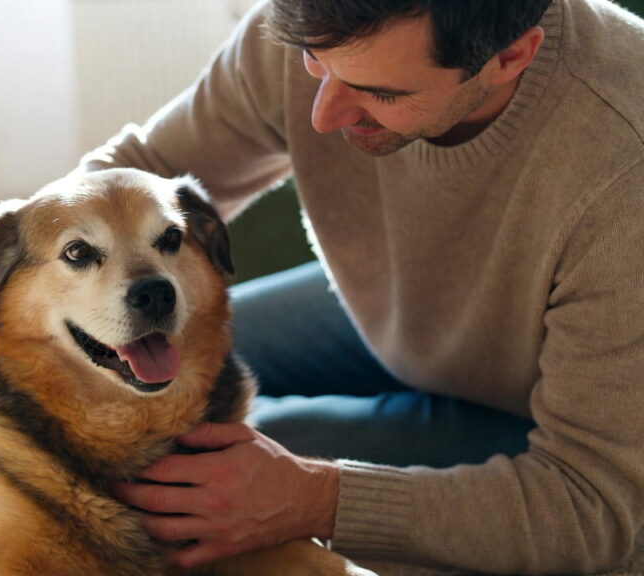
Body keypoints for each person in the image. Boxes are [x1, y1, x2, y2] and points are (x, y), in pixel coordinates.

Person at [77, 0, 644, 574]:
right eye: (313, 62)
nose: (322, 115)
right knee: (105, 374)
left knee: (202, 465)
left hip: (553, 431)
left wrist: (313, 498)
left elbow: (594, 506)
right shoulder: (312, 20)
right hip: (390, 313)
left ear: (511, 55)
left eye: (383, 93)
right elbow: (145, 168)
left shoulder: (624, 166)